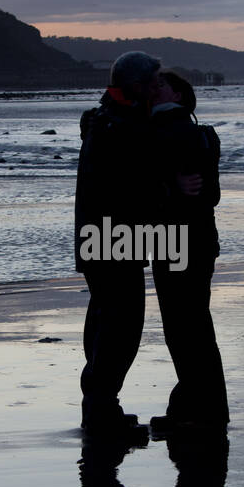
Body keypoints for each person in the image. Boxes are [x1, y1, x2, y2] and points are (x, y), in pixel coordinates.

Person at [75, 50, 160, 436]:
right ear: (135, 85)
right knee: (120, 327)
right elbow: (133, 183)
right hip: (115, 241)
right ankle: (101, 410)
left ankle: (99, 407)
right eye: (152, 82)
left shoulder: (100, 120)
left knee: (105, 323)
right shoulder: (118, 125)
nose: (157, 87)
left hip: (100, 239)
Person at [148, 70, 229, 434]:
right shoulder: (196, 132)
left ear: (179, 95)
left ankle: (198, 409)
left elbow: (201, 192)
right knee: (191, 325)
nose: (154, 88)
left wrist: (167, 184)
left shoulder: (169, 129)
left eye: (162, 84)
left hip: (178, 240)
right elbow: (210, 194)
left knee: (185, 327)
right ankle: (197, 407)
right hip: (195, 239)